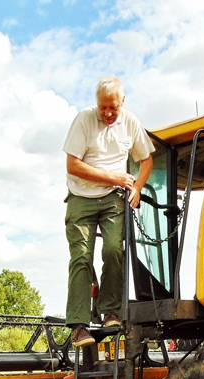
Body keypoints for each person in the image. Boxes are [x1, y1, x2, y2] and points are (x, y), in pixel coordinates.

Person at [63, 76, 155, 347]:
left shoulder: (130, 122)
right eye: (103, 107)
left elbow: (147, 159)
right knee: (81, 257)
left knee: (114, 249)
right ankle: (78, 325)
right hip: (81, 197)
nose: (107, 113)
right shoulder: (83, 120)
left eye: (113, 107)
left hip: (113, 199)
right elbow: (73, 165)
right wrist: (115, 177)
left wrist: (137, 187)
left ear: (122, 102)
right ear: (97, 104)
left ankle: (111, 311)